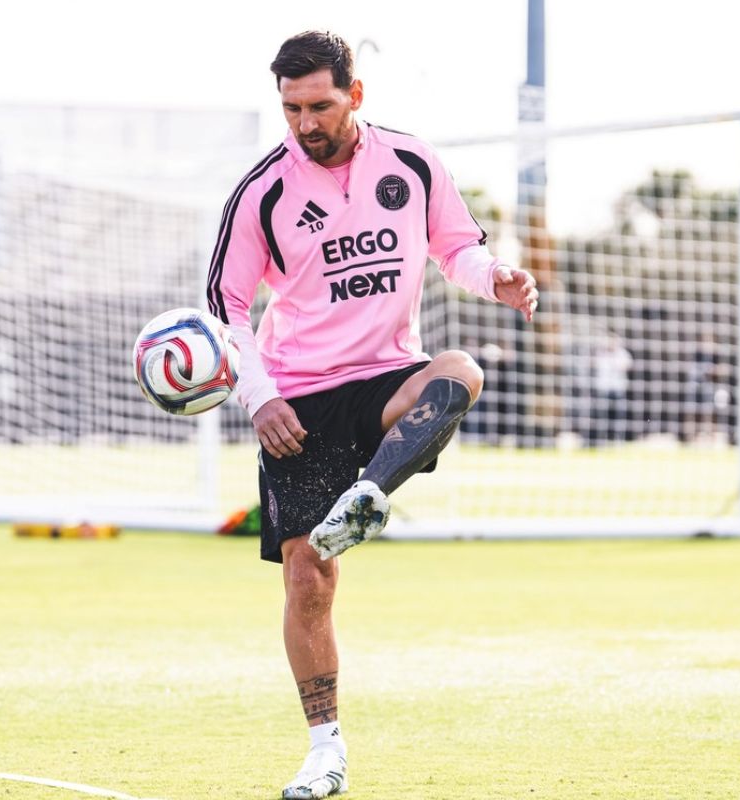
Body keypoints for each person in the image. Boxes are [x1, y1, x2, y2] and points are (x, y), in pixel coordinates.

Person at [206, 31, 538, 800]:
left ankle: (367, 497)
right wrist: (260, 397)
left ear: (355, 95)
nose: (305, 123)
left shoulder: (411, 163)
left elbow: (457, 249)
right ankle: (324, 752)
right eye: (291, 109)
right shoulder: (262, 193)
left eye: (320, 106)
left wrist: (497, 277)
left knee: (461, 371)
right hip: (299, 398)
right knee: (308, 578)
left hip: (387, 376)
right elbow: (226, 306)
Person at [589, 332, 632, 445]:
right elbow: (592, 364)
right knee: (602, 416)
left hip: (618, 389)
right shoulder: (600, 353)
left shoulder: (622, 353)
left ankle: (618, 440)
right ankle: (601, 439)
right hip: (603, 389)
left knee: (618, 416)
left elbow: (626, 366)